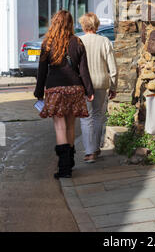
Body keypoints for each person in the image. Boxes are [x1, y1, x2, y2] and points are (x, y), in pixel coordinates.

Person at [34, 10, 94, 179]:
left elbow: (42, 71)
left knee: (60, 128)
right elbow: (84, 70)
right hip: (75, 89)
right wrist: (89, 90)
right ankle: (70, 162)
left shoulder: (47, 43)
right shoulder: (77, 42)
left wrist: (39, 92)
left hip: (55, 90)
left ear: (54, 23)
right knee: (70, 126)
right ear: (70, 24)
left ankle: (64, 169)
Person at [79, 12, 118, 163]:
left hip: (84, 84)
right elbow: (112, 67)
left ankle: (89, 152)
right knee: (97, 115)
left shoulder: (79, 41)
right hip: (101, 83)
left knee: (86, 117)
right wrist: (113, 86)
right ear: (97, 25)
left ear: (83, 25)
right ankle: (95, 148)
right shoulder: (104, 41)